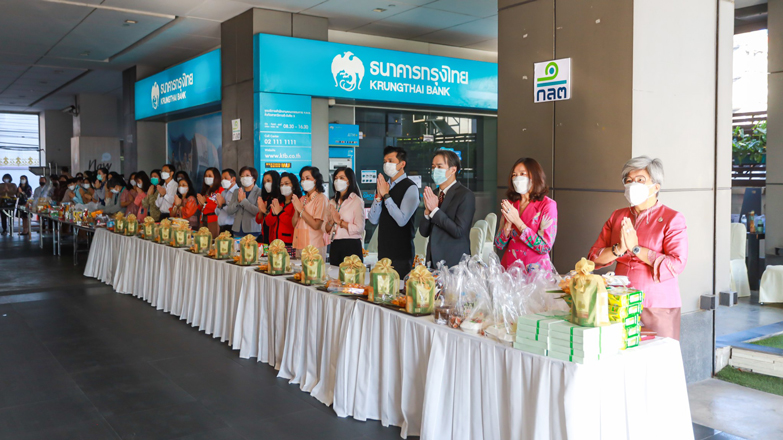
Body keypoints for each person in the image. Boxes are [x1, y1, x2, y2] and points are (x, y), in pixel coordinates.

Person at [588, 156, 688, 340]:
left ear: (656, 187)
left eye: (640, 180)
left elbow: (677, 263)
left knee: (656, 353)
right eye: (629, 181)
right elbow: (593, 258)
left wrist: (635, 248)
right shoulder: (617, 216)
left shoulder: (672, 218)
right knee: (620, 351)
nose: (633, 185)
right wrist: (619, 249)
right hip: (619, 300)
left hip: (657, 305)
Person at [494, 158, 558, 271]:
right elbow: (499, 244)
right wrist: (507, 225)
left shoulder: (547, 205)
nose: (517, 178)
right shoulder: (511, 204)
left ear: (535, 176)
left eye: (522, 174)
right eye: (514, 175)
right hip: (510, 270)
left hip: (536, 272)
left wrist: (518, 222)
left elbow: (544, 247)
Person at [368, 146, 419, 277]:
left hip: (401, 254)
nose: (387, 165)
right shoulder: (383, 186)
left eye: (390, 161)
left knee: (398, 288)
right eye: (385, 162)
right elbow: (373, 219)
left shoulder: (410, 187)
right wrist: (379, 197)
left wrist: (387, 196)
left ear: (402, 164)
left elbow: (402, 220)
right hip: (383, 251)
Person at [419, 150, 475, 268]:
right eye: (433, 167)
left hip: (454, 262)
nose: (435, 170)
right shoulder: (433, 194)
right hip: (432, 261)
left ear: (453, 170)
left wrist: (435, 210)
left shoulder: (465, 195)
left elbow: (459, 231)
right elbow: (424, 232)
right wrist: (427, 213)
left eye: (439, 167)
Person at [326, 167, 365, 266]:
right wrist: (332, 220)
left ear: (349, 181)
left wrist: (340, 222)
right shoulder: (332, 202)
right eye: (336, 178)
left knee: (351, 274)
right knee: (334, 274)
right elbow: (326, 229)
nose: (338, 181)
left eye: (342, 178)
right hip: (335, 244)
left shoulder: (356, 201)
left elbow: (359, 228)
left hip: (351, 244)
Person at [292, 166, 328, 258]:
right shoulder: (302, 199)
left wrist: (301, 209)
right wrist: (296, 209)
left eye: (308, 178)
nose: (304, 181)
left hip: (314, 246)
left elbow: (316, 225)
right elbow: (294, 223)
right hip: (299, 244)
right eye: (302, 179)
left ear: (315, 180)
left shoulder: (321, 198)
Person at [262, 172, 300, 257]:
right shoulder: (278, 202)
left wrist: (280, 213)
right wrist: (274, 214)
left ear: (293, 186)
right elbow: (268, 222)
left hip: (289, 243)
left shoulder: (297, 202)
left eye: (286, 184)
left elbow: (293, 224)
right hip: (274, 242)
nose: (283, 187)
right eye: (281, 185)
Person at [225, 166, 262, 237]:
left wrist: (243, 201)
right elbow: (229, 211)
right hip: (237, 230)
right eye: (242, 176)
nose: (244, 178)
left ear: (254, 178)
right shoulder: (237, 191)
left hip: (253, 230)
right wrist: (238, 202)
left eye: (247, 175)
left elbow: (258, 212)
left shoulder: (259, 192)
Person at [197, 167, 222, 237]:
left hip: (213, 220)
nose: (207, 178)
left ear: (216, 177)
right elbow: (201, 208)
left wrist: (205, 203)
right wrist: (200, 203)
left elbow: (218, 207)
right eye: (206, 176)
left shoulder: (220, 190)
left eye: (210, 176)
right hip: (203, 219)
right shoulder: (206, 190)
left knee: (212, 241)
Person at [257, 170, 281, 243]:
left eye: (268, 181)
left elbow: (271, 221)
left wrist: (264, 210)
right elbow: (258, 220)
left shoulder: (279, 199)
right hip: (265, 234)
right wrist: (261, 211)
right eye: (264, 182)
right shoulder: (266, 198)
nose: (266, 184)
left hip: (275, 237)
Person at [215, 168, 238, 234]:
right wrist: (219, 206)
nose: (223, 181)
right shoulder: (223, 192)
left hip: (232, 227)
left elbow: (235, 212)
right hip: (222, 227)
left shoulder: (237, 192)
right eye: (222, 179)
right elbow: (217, 212)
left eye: (226, 178)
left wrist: (223, 204)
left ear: (233, 179)